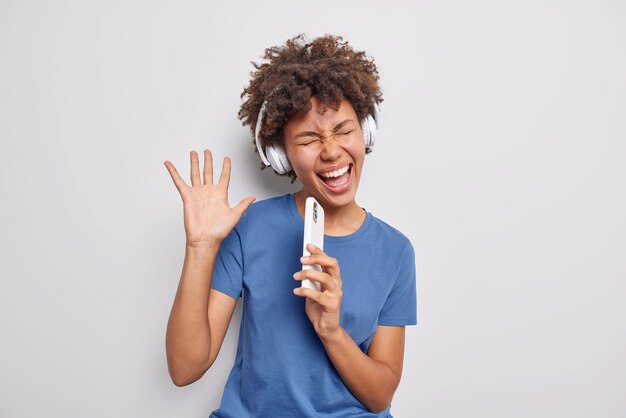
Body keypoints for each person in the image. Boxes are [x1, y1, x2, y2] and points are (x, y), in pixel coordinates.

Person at [164, 33, 418, 417]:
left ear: (365, 133)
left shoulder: (396, 251)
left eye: (344, 130)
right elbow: (185, 369)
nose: (332, 150)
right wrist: (200, 248)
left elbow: (380, 396)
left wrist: (331, 330)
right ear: (282, 156)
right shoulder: (249, 228)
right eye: (309, 139)